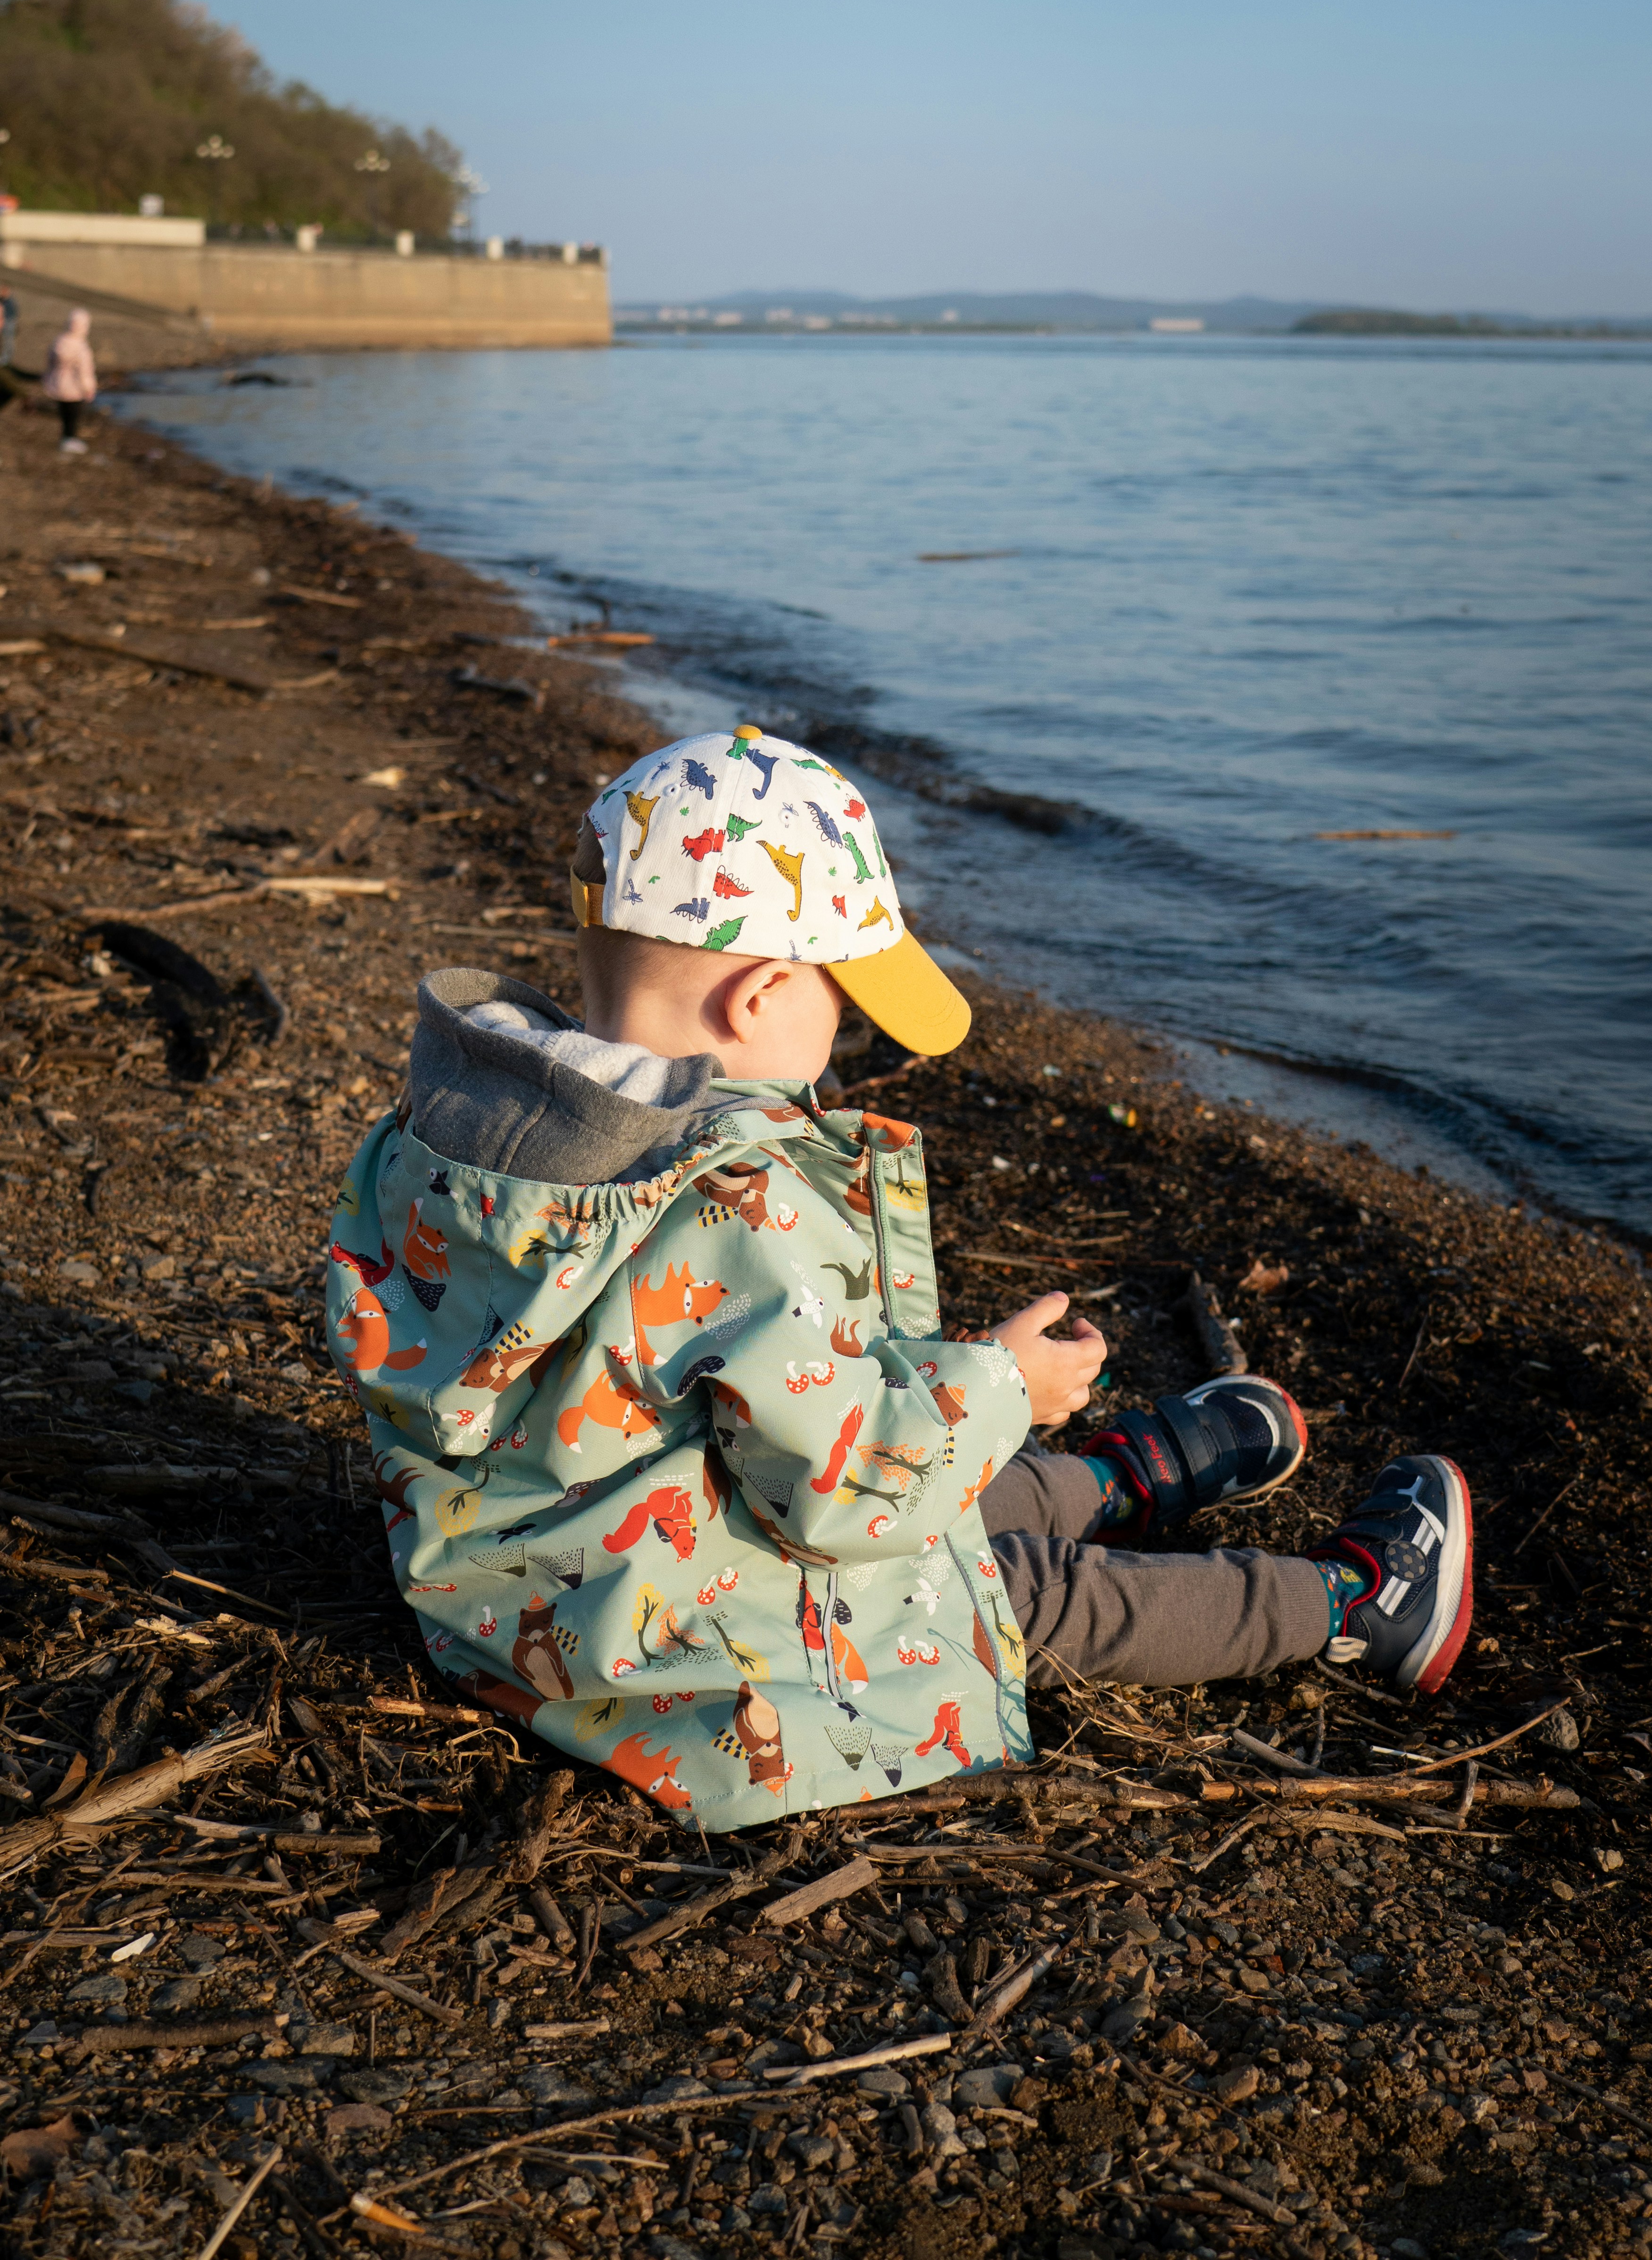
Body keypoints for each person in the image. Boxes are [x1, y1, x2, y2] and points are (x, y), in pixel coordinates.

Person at [325, 726, 1473, 1830]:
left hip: (525, 1595)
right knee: (1016, 1589)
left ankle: (1111, 1483)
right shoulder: (735, 1196)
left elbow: (689, 1415)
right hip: (703, 1655)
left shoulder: (471, 1136)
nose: (846, 1036)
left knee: (922, 1496)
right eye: (842, 1001)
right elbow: (842, 1493)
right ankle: (1355, 1605)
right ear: (757, 996)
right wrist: (1003, 1385)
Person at [42, 307, 96, 453]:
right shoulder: (81, 347)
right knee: (74, 415)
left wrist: (48, 378)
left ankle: (66, 438)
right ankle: (70, 439)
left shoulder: (59, 341)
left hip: (58, 383)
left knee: (64, 413)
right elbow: (84, 371)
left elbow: (50, 362)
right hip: (75, 387)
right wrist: (89, 388)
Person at [0, 287, 17, 368]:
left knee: (8, 342)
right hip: (6, 323)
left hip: (8, 324)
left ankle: (6, 359)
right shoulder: (5, 302)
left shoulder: (9, 303)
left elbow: (10, 316)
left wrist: (3, 322)